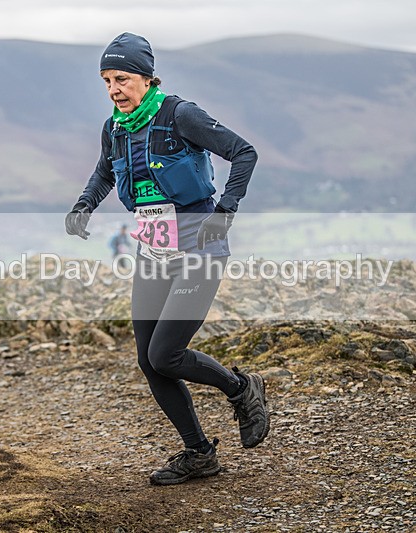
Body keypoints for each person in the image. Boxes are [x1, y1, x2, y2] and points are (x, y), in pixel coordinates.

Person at [64, 32, 269, 485]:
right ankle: (199, 454)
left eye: (121, 79)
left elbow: (244, 153)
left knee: (166, 354)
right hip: (153, 250)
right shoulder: (115, 128)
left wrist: (225, 211)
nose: (113, 89)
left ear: (146, 77)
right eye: (106, 80)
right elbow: (104, 172)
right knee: (148, 360)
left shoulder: (180, 115)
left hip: (199, 246)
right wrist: (84, 205)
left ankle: (241, 388)